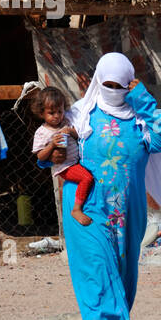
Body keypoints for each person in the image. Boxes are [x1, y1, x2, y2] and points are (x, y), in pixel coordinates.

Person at [52, 52, 161, 320]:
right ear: (97, 79)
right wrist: (53, 153)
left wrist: (143, 98)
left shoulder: (141, 117)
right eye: (106, 83)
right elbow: (53, 144)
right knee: (96, 264)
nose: (111, 89)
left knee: (123, 268)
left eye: (118, 85)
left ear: (128, 83)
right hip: (86, 204)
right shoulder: (79, 114)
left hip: (128, 209)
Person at [29, 86, 95, 226]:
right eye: (51, 113)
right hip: (65, 167)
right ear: (42, 113)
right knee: (87, 178)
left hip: (76, 162)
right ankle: (76, 209)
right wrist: (52, 145)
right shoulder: (42, 132)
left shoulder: (66, 122)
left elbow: (78, 136)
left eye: (60, 111)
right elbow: (40, 156)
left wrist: (71, 132)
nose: (57, 116)